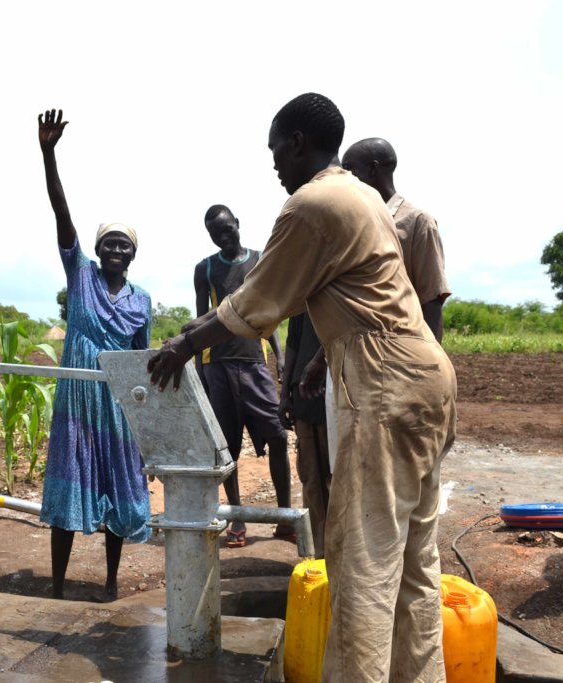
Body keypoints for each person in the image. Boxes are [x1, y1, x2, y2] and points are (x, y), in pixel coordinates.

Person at [148, 93, 456, 682]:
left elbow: (257, 300)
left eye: (273, 150)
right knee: (416, 562)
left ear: (296, 142)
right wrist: (317, 367)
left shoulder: (310, 203)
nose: (272, 165)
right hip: (426, 373)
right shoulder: (365, 196)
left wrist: (184, 344)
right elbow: (366, 296)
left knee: (361, 559)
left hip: (385, 381)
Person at [36, 109, 152, 602]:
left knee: (117, 488)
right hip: (78, 398)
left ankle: (109, 582)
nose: (115, 251)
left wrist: (145, 422)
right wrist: (48, 153)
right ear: (97, 248)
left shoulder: (141, 300)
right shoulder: (79, 274)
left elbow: (142, 359)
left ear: (133, 253)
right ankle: (58, 584)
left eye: (123, 245)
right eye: (108, 243)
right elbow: (61, 212)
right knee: (69, 488)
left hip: (118, 404)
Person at [194, 205, 292, 547]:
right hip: (218, 366)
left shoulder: (260, 260)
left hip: (253, 363)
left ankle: (285, 518)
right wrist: (199, 376)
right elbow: (201, 321)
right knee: (227, 449)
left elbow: (270, 312)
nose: (223, 236)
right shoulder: (205, 269)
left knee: (278, 436)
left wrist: (279, 357)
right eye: (214, 233)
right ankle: (236, 520)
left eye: (227, 229)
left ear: (237, 225)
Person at [341, 137, 451, 340]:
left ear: (372, 170)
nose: (343, 179)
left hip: (398, 351)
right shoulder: (354, 223)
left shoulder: (417, 222)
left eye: (349, 170)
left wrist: (430, 366)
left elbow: (431, 300)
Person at [278, 313, 329, 558]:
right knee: (311, 479)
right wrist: (285, 393)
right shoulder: (303, 290)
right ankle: (320, 554)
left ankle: (342, 555)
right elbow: (293, 341)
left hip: (339, 391)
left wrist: (321, 359)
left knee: (340, 479)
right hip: (304, 393)